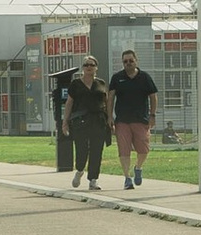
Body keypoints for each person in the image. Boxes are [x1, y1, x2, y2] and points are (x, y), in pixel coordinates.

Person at [108, 45, 158, 190]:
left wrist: (152, 114)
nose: (128, 63)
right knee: (124, 150)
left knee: (143, 150)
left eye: (131, 60)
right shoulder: (117, 78)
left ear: (136, 61)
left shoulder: (145, 77)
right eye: (125, 61)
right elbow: (110, 98)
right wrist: (109, 116)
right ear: (122, 63)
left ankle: (138, 168)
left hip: (141, 119)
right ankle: (127, 178)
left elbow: (153, 96)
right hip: (122, 120)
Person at [66, 55, 112, 193]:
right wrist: (65, 122)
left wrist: (110, 118)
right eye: (86, 65)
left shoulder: (101, 84)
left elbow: (107, 102)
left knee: (97, 150)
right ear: (83, 68)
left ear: (96, 67)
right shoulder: (75, 84)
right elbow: (69, 103)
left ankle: (93, 180)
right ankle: (80, 170)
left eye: (91, 65)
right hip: (81, 121)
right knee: (81, 149)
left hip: (98, 120)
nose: (89, 67)